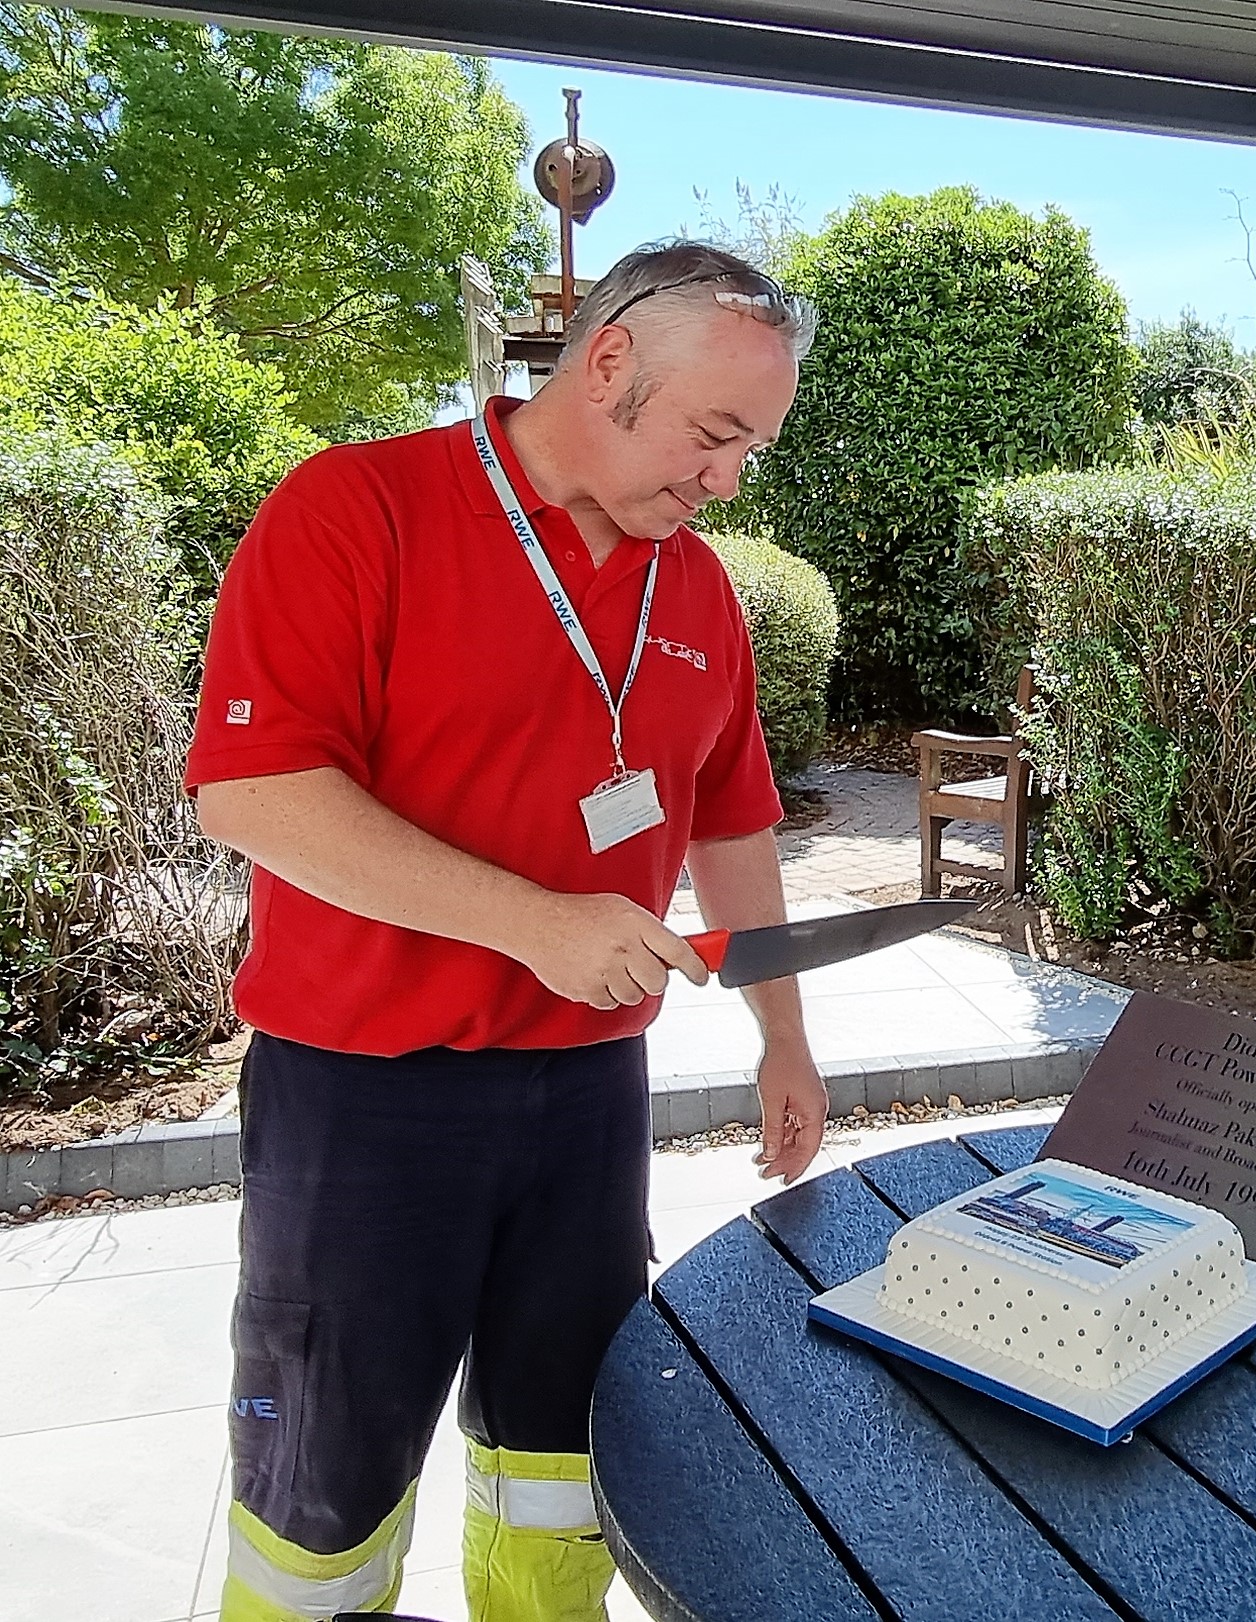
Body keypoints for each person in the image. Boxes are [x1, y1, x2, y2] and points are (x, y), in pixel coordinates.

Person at [186, 241, 828, 1622]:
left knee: (565, 1455)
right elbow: (252, 791)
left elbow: (732, 824)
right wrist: (533, 922)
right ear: (608, 364)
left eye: (749, 451)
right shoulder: (359, 509)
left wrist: (785, 1036)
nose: (726, 480)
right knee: (323, 1484)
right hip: (361, 1099)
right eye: (716, 434)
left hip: (590, 1096)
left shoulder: (702, 592)